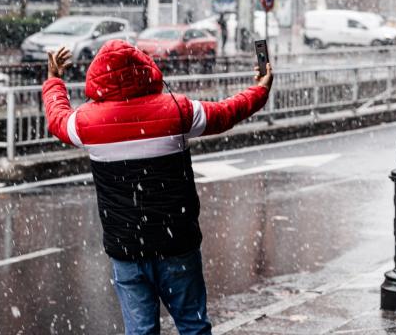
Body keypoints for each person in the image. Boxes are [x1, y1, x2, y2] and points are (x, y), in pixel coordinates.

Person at [42, 40, 273, 335]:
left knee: (140, 332)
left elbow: (56, 116)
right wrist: (261, 88)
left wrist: (53, 79)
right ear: (145, 69)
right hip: (177, 243)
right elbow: (228, 111)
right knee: (193, 326)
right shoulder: (177, 109)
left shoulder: (87, 123)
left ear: (97, 76)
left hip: (126, 249)